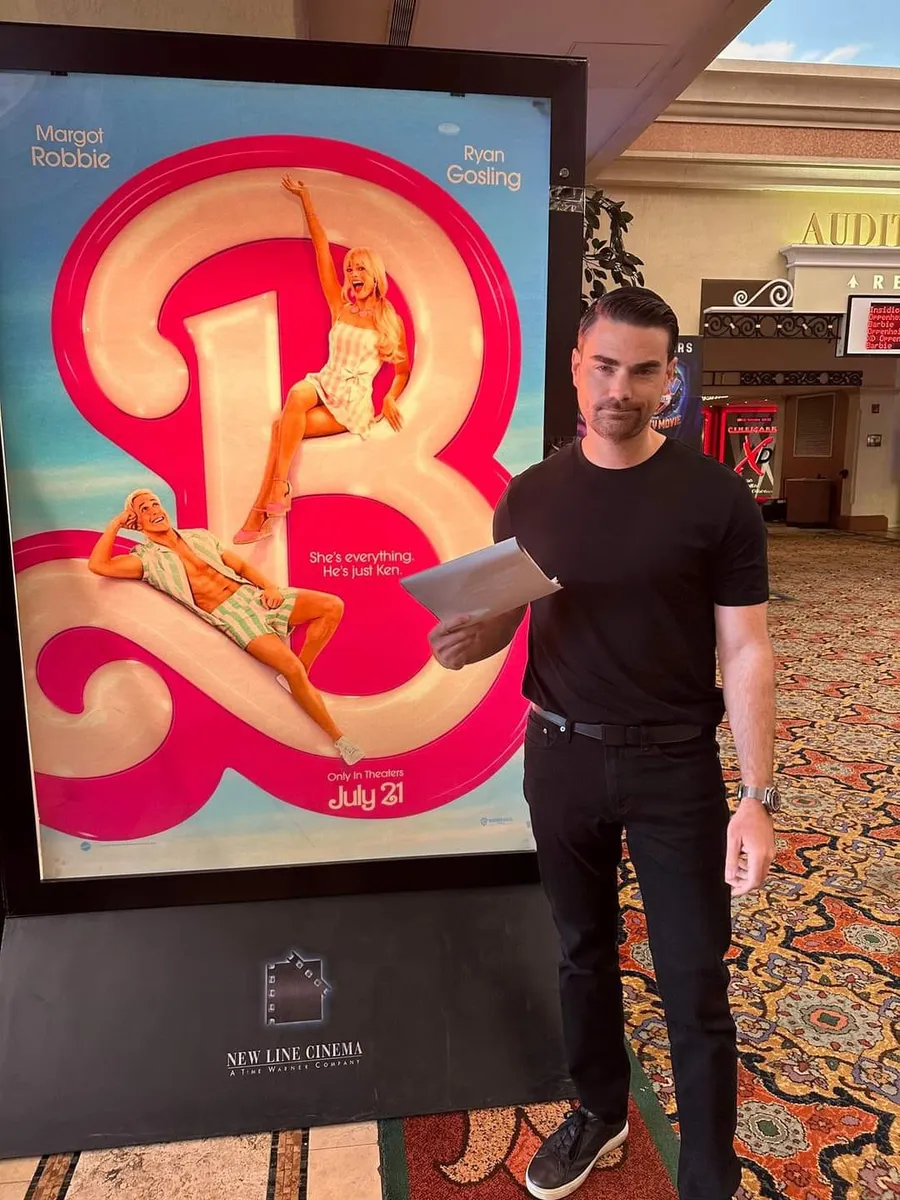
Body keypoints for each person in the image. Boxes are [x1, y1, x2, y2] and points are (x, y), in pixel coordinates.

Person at [429, 288, 777, 1200]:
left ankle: (709, 1176)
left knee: (693, 977)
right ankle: (599, 1107)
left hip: (675, 766)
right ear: (577, 368)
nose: (621, 389)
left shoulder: (716, 498)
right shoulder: (531, 496)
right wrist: (473, 640)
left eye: (643, 371)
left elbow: (746, 649)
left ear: (669, 381)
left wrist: (758, 795)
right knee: (581, 950)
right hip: (561, 757)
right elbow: (513, 616)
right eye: (606, 367)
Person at [89, 489, 363, 766]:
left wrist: (269, 587)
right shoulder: (145, 559)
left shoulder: (198, 536)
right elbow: (99, 565)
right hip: (230, 615)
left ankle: (301, 677)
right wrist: (116, 523)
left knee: (332, 606)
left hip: (252, 595)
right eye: (144, 509)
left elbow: (240, 566)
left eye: (155, 504)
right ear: (136, 522)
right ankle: (340, 740)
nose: (154, 511)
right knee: (291, 668)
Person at [235, 175, 411, 544]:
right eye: (350, 269)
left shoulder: (389, 320)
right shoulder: (340, 307)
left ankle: (259, 514)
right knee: (297, 394)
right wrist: (306, 200)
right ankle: (278, 490)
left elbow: (402, 369)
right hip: (323, 382)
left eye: (360, 269)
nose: (352, 274)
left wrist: (390, 397)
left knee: (279, 428)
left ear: (374, 275)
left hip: (350, 403)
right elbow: (321, 248)